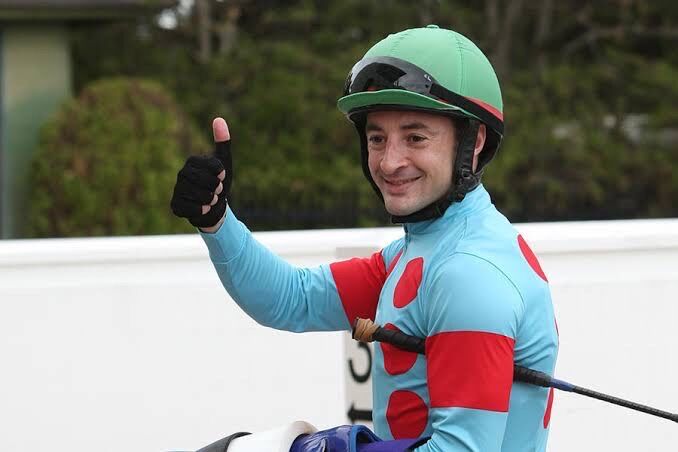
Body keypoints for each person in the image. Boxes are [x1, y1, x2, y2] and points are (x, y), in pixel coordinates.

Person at [171, 25, 558, 452]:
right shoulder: (426, 250)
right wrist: (217, 220)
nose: (390, 162)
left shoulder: (468, 273)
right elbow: (292, 298)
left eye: (415, 137)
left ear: (475, 140)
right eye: (377, 138)